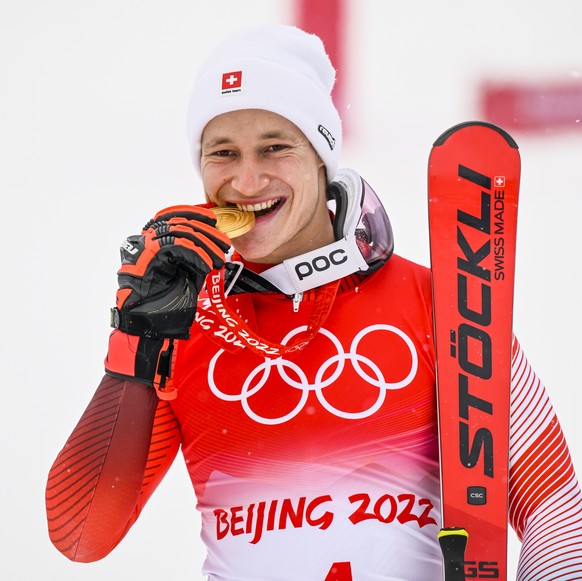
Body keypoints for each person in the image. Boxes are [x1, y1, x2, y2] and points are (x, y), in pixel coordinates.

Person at [45, 24, 582, 580]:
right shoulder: (184, 328)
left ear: (322, 157)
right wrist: (138, 343)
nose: (247, 180)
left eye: (275, 147)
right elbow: (80, 533)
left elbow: (555, 510)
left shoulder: (438, 303)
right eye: (222, 153)